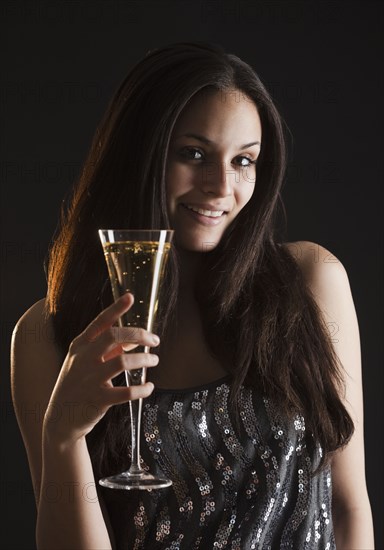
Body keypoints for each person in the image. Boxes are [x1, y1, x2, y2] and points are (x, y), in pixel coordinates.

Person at [11, 42, 374, 549]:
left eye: (244, 160)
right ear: (140, 152)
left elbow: (349, 506)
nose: (221, 185)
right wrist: (63, 437)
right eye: (194, 154)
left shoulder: (312, 281)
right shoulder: (45, 336)